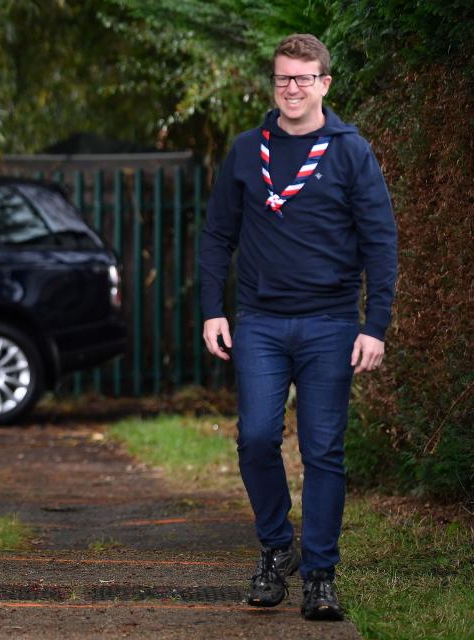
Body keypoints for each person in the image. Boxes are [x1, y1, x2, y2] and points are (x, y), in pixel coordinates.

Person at [199, 34, 396, 621]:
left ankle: (320, 576)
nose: (292, 88)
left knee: (323, 451)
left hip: (332, 323)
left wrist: (375, 324)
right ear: (274, 84)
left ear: (324, 85)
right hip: (259, 321)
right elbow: (216, 237)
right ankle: (275, 546)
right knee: (256, 437)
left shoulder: (351, 151)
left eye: (304, 78)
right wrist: (214, 309)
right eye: (283, 78)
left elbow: (380, 241)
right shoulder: (244, 150)